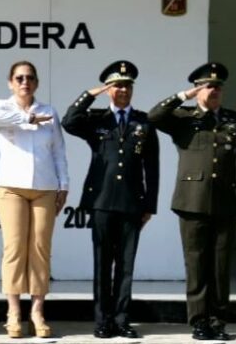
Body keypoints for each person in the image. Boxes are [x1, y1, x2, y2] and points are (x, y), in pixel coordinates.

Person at [148, 62, 236, 341]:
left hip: (226, 203)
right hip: (191, 202)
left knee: (220, 267)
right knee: (196, 264)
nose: (214, 90)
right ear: (198, 88)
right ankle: (199, 322)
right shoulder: (183, 118)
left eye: (218, 86)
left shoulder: (235, 120)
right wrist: (184, 95)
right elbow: (154, 116)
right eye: (209, 85)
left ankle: (218, 321)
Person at [62, 61, 159, 339]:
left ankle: (122, 319)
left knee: (126, 266)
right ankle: (103, 321)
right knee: (103, 265)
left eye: (128, 85)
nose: (123, 90)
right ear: (109, 90)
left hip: (132, 204)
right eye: (117, 85)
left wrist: (149, 205)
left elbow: (152, 167)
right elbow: (69, 121)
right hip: (102, 202)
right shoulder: (96, 120)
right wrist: (90, 94)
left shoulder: (143, 122)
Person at [0, 60, 67, 339]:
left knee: (40, 247)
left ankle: (38, 310)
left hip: (45, 187)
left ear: (37, 83)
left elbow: (58, 151)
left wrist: (63, 184)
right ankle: (13, 310)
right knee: (15, 248)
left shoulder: (49, 111)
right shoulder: (2, 107)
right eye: (19, 78)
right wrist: (28, 119)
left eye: (29, 78)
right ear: (10, 82)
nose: (24, 82)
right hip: (11, 188)